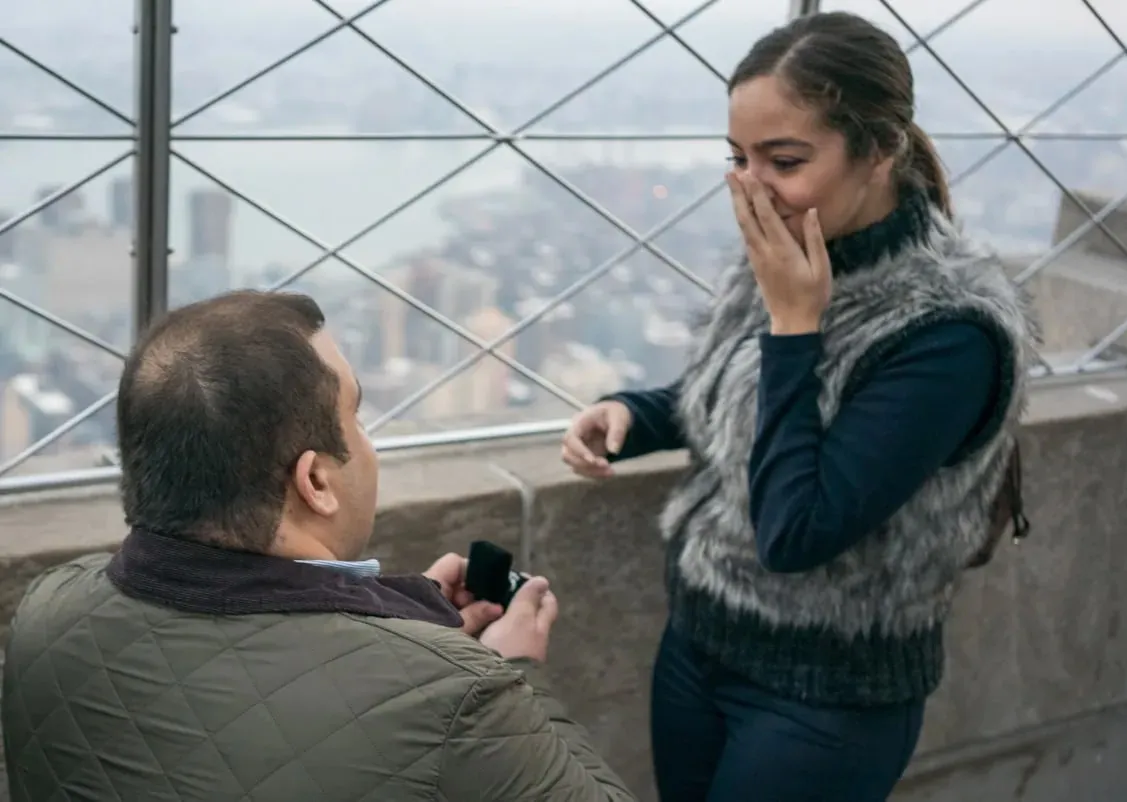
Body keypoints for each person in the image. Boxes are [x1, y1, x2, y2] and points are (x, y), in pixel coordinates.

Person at [561, 11, 1036, 802]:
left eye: (783, 159)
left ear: (880, 148)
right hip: (698, 645)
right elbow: (745, 395)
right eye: (738, 157)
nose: (752, 186)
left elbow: (797, 528)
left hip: (826, 701)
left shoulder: (950, 332)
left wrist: (794, 322)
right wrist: (635, 414)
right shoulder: (795, 252)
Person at [2, 290, 635, 802]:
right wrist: (510, 673)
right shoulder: (461, 698)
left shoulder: (45, 612)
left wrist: (398, 621)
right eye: (357, 415)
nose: (366, 440)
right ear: (315, 481)